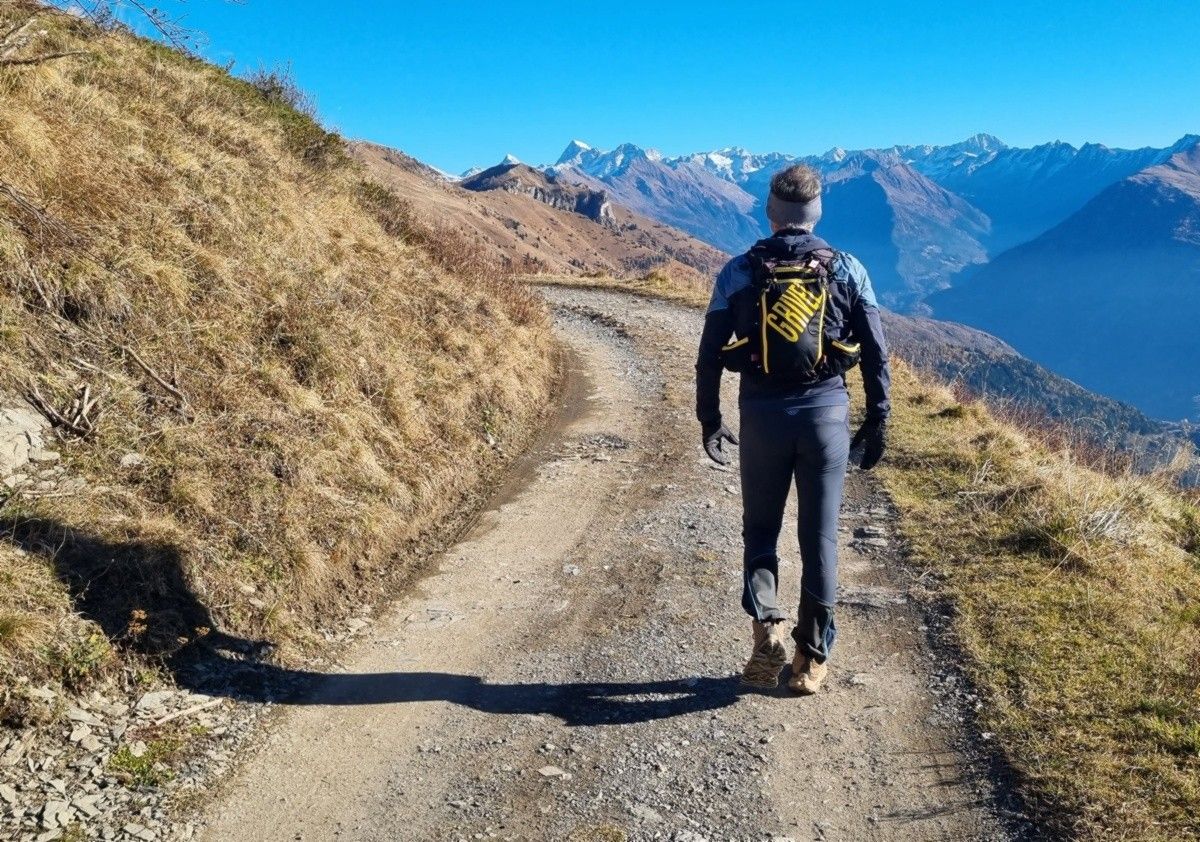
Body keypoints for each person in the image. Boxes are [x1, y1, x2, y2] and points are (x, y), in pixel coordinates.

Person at [694, 164, 891, 694]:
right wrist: (878, 418)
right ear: (818, 210)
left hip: (761, 417)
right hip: (826, 416)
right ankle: (811, 660)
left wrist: (710, 419)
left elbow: (709, 355)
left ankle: (767, 631)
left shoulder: (737, 271)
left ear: (769, 211)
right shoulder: (848, 268)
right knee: (819, 537)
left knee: (760, 529)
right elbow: (874, 352)